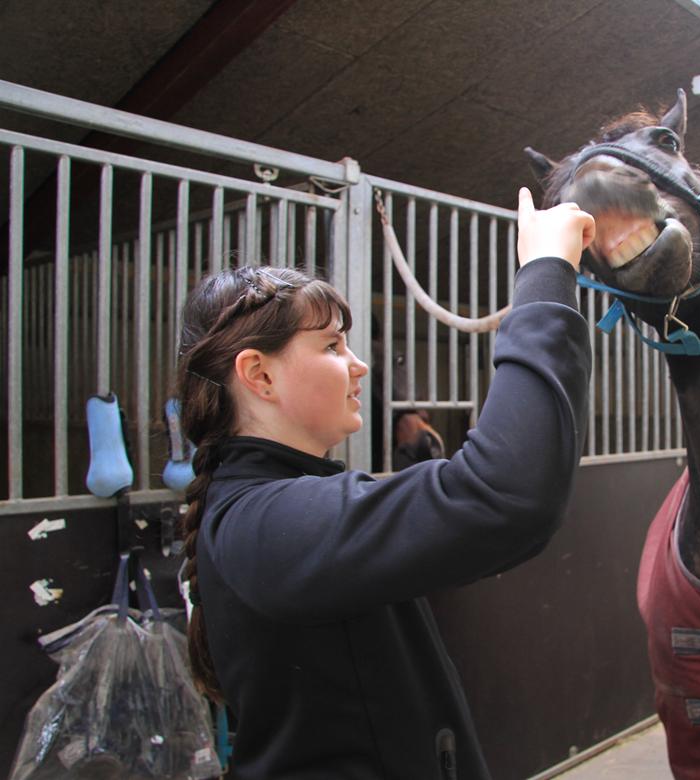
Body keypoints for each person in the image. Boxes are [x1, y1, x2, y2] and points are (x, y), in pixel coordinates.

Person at [176, 187, 595, 779]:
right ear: (259, 374)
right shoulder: (267, 521)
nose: (359, 365)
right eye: (331, 345)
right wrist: (545, 275)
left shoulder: (270, 507)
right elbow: (504, 492)